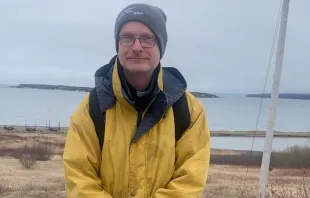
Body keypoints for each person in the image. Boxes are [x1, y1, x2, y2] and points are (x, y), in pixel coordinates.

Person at [63, 3, 211, 198]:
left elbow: (190, 182)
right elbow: (79, 179)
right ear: (118, 45)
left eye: (147, 39)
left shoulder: (189, 111)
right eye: (127, 38)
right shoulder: (91, 109)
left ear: (161, 46)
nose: (137, 47)